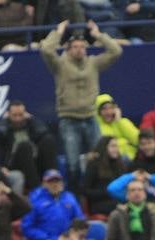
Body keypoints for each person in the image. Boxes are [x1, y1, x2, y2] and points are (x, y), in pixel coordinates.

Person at [40, 21, 122, 184]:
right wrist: (58, 32)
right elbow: (46, 50)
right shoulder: (60, 65)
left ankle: (98, 191)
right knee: (73, 163)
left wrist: (99, 35)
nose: (80, 50)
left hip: (91, 118)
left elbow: (116, 51)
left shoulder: (93, 63)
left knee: (100, 158)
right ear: (68, 49)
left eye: (82, 46)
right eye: (75, 47)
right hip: (69, 119)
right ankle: (76, 195)